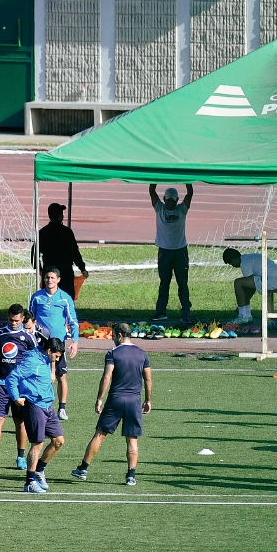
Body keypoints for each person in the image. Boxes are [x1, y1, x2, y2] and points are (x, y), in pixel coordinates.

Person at [73, 322, 152, 486]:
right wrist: (148, 400)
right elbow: (148, 379)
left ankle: (83, 469)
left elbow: (107, 376)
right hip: (134, 400)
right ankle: (131, 476)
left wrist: (99, 398)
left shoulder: (113, 353)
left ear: (120, 335)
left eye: (114, 336)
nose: (113, 339)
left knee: (100, 435)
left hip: (116, 398)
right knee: (132, 439)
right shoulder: (142, 354)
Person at [6, 335, 66, 494]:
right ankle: (29, 482)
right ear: (49, 350)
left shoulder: (47, 359)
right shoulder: (32, 361)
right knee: (37, 444)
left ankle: (39, 470)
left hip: (48, 406)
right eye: (57, 356)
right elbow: (12, 378)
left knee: (59, 441)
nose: (57, 359)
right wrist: (16, 397)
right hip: (34, 406)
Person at [0, 304, 36, 472]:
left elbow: (34, 361)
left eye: (17, 320)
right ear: (7, 318)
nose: (13, 323)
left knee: (20, 422)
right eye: (11, 320)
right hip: (0, 383)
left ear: (22, 319)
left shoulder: (28, 336)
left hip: (20, 386)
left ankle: (21, 458)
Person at [28, 266, 79, 420]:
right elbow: (30, 318)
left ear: (58, 280)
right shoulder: (37, 297)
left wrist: (75, 342)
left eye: (52, 278)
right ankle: (39, 405)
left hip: (58, 345)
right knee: (39, 374)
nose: (49, 280)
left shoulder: (65, 298)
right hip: (41, 343)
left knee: (61, 376)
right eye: (47, 277)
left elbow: (73, 322)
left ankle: (62, 408)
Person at [149, 184, 194, 324]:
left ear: (177, 200)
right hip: (164, 252)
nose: (170, 203)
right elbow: (151, 191)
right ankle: (161, 311)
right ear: (164, 199)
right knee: (164, 283)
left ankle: (186, 311)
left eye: (172, 201)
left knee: (182, 283)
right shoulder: (159, 209)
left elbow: (190, 193)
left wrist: (188, 180)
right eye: (168, 200)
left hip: (180, 252)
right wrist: (156, 178)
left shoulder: (182, 210)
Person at [35, 202, 87, 302]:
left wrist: (40, 269)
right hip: (65, 272)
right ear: (60, 216)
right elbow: (74, 252)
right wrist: (82, 268)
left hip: (49, 271)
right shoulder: (66, 232)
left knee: (48, 299)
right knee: (66, 300)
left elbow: (34, 253)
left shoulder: (43, 233)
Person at [222, 247, 277, 324]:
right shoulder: (248, 258)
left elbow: (248, 286)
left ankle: (243, 316)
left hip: (274, 280)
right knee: (242, 283)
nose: (232, 266)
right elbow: (251, 287)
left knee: (238, 283)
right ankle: (246, 316)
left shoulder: (244, 263)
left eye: (231, 263)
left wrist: (241, 305)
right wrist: (243, 303)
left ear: (233, 259)